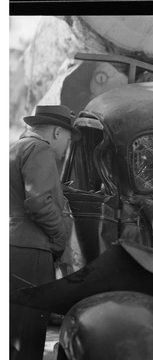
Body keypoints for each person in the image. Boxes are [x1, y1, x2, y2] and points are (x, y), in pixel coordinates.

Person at [10, 105, 81, 360]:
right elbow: (38, 201)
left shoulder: (14, 148)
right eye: (68, 141)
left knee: (11, 333)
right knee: (28, 333)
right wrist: (60, 237)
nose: (65, 149)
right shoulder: (40, 149)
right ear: (58, 133)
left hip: (11, 246)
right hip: (31, 251)